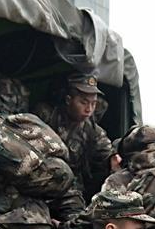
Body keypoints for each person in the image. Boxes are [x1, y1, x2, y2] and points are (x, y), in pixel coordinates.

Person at [36, 72, 113, 200]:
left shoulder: (93, 130)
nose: (89, 109)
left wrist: (113, 158)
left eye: (93, 104)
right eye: (83, 102)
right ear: (68, 100)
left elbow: (108, 154)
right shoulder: (46, 116)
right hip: (39, 182)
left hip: (71, 190)